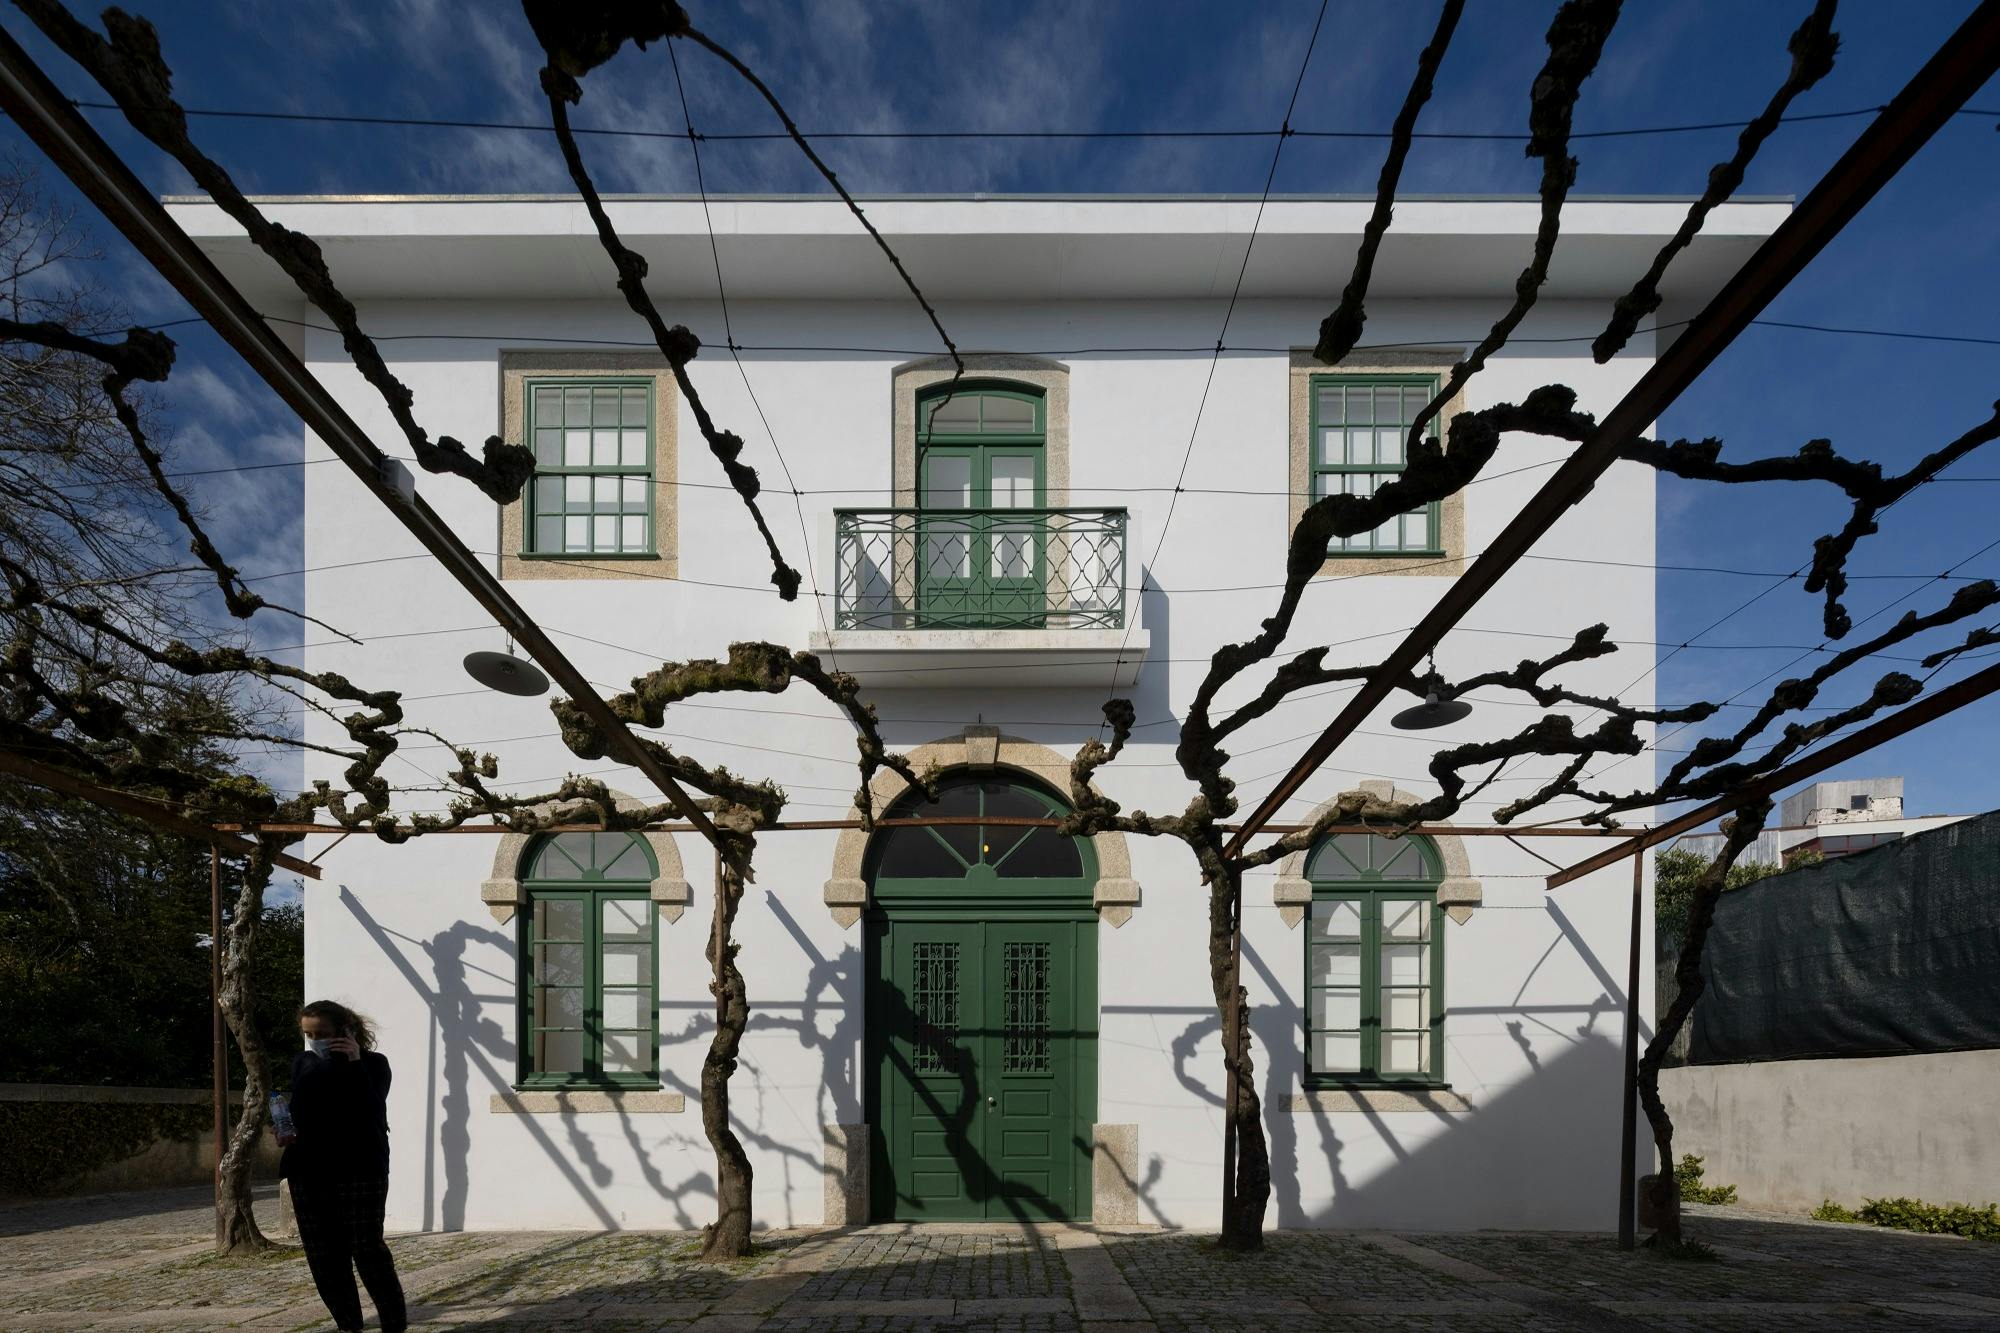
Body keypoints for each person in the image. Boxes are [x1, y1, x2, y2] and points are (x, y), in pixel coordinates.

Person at [281, 1000, 407, 1333]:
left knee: (367, 1249)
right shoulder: (303, 1063)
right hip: (307, 1169)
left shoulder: (374, 1064)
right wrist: (284, 1129)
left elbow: (370, 1109)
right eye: (308, 1034)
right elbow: (301, 1111)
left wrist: (353, 1062)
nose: (314, 1041)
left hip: (360, 1166)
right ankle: (348, 1325)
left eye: (321, 1033)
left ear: (345, 1030)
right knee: (324, 1255)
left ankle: (394, 1324)